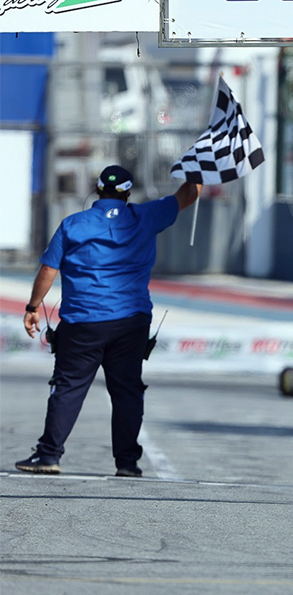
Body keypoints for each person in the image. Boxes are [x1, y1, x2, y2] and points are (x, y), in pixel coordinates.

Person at [17, 165, 201, 477]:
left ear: (97, 189)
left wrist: (33, 307)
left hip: (82, 322)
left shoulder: (72, 224)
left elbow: (48, 270)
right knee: (127, 390)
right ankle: (127, 463)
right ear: (128, 193)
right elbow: (188, 194)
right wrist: (199, 167)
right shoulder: (146, 216)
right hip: (131, 322)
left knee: (68, 387)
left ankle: (49, 455)